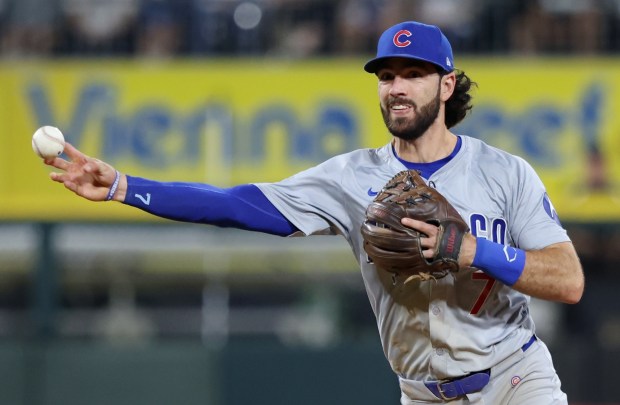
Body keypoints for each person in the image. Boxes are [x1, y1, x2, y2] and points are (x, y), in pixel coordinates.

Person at [44, 21, 584, 404]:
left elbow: (568, 281)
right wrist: (124, 186)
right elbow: (240, 205)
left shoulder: (505, 173)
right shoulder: (350, 177)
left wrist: (472, 250)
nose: (396, 87)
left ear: (446, 85)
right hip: (423, 394)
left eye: (413, 73)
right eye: (385, 75)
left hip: (516, 380)